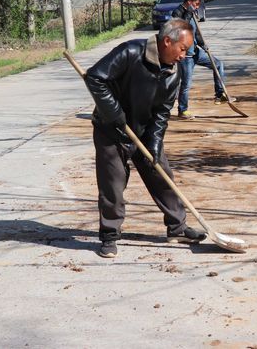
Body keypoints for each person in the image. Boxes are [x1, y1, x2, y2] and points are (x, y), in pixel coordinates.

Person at [84, 18, 206, 258]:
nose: (184, 56)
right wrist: (114, 113)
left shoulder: (174, 71)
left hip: (144, 131)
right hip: (112, 131)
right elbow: (95, 77)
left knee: (162, 175)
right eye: (182, 49)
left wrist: (155, 141)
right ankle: (110, 235)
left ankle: (178, 227)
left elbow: (162, 112)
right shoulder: (130, 52)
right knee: (113, 184)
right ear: (167, 41)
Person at [171, 0, 234, 120]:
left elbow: (195, 33)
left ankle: (219, 94)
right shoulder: (177, 12)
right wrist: (188, 14)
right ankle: (183, 110)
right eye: (196, 4)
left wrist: (203, 44)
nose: (197, 7)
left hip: (196, 52)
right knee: (186, 84)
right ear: (189, 2)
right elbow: (182, 28)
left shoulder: (192, 12)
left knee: (218, 64)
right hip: (185, 56)